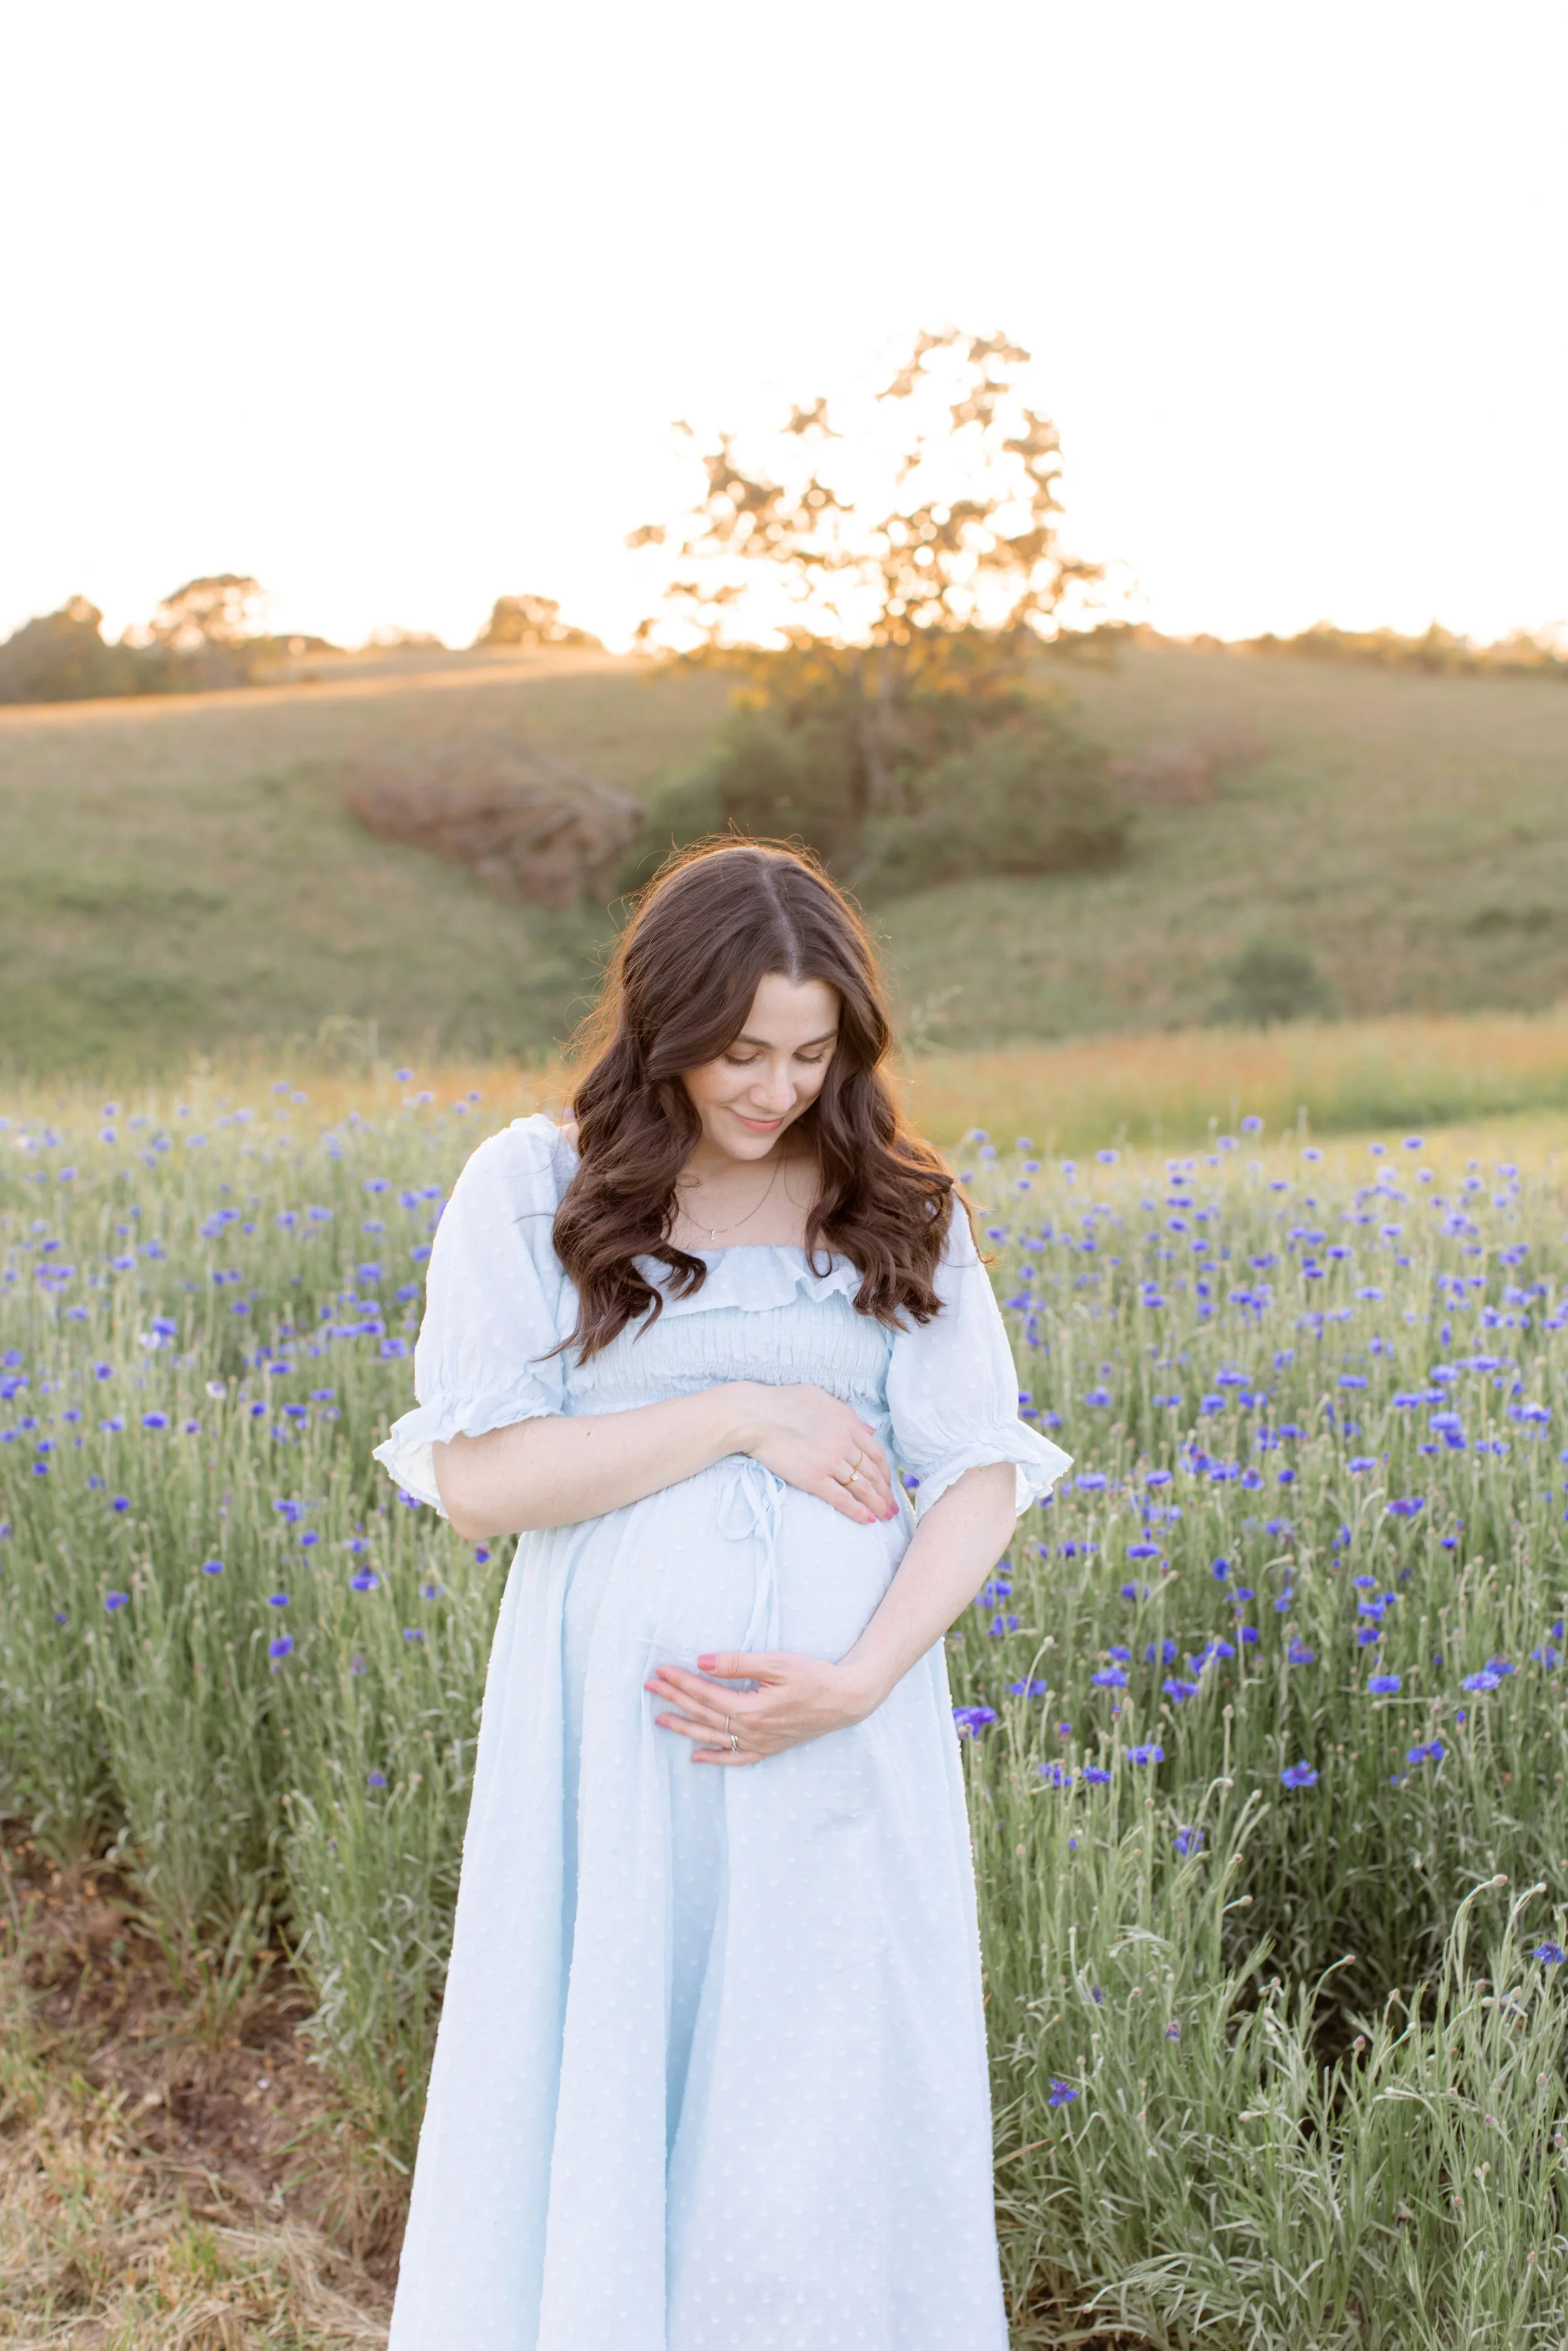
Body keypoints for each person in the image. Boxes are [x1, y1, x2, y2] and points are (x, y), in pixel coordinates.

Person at [374, 840, 1069, 2350]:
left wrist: (863, 1673)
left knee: (819, 2083)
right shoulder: (536, 1184)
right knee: (622, 2047)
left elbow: (977, 1471)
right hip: (617, 1745)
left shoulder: (898, 1204)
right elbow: (480, 1479)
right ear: (664, 1025)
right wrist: (739, 1412)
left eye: (812, 1053)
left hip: (840, 1736)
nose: (773, 1087)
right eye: (740, 1050)